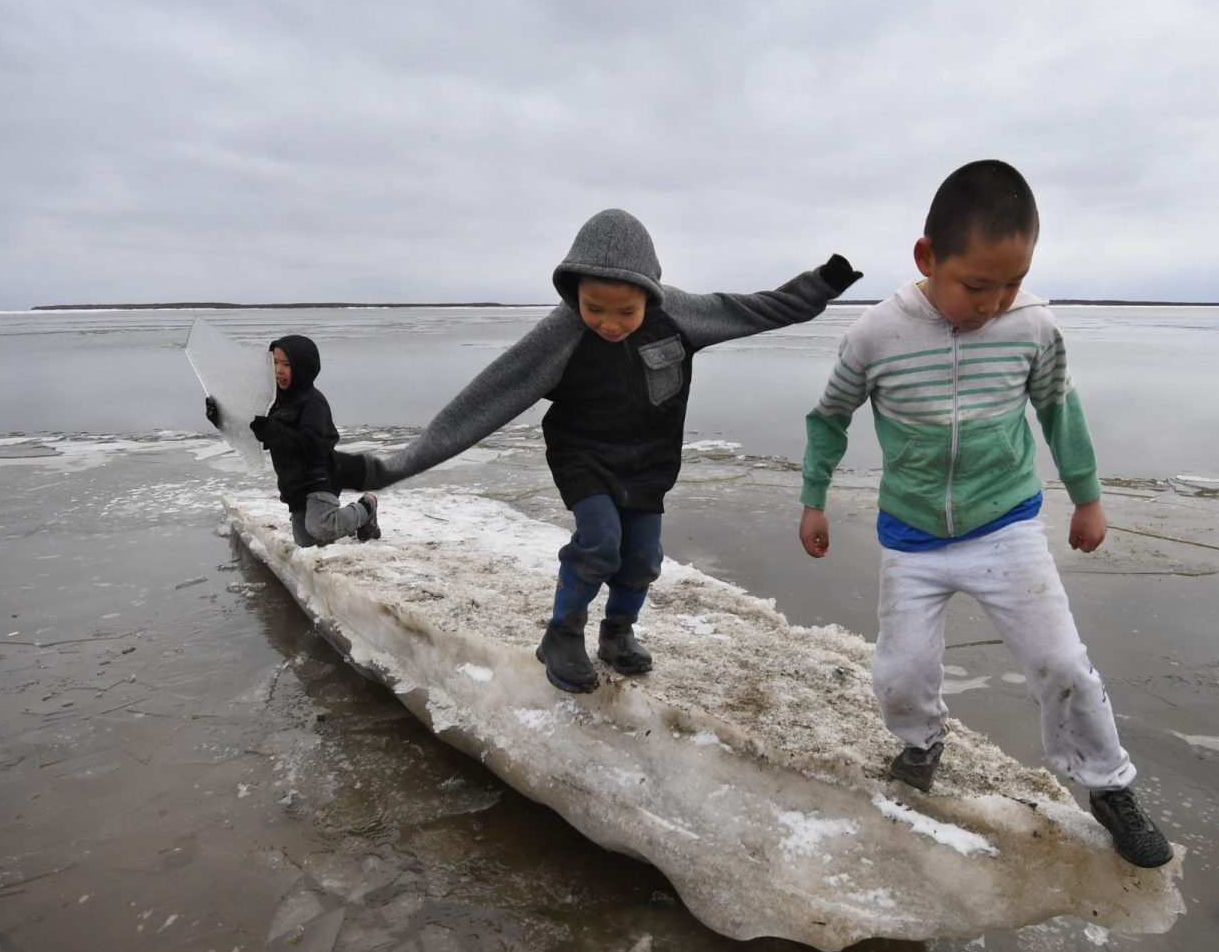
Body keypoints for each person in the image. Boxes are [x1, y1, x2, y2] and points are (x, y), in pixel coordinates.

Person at [796, 161, 1170, 868]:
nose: (995, 302)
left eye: (1012, 283)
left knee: (1062, 662)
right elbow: (829, 418)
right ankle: (919, 745)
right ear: (927, 258)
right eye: (977, 285)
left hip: (1005, 526)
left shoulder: (1032, 327)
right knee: (901, 673)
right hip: (911, 536)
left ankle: (1109, 786)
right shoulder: (876, 334)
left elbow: (1059, 407)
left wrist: (1087, 495)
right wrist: (813, 497)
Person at [338, 208, 861, 693]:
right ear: (575, 293)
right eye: (594, 309)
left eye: (625, 312)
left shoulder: (680, 313)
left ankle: (617, 633)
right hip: (583, 456)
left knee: (641, 559)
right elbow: (486, 399)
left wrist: (822, 285)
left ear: (650, 296)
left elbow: (755, 309)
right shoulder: (561, 333)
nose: (609, 323)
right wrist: (391, 467)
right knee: (600, 542)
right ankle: (561, 635)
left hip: (649, 465)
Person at [204, 334, 379, 548]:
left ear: (303, 367)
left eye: (286, 364)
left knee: (320, 527)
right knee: (306, 539)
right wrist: (220, 419)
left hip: (320, 477)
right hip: (295, 484)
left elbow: (310, 443)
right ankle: (342, 522)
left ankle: (366, 508)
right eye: (275, 362)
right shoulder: (275, 401)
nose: (278, 369)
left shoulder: (314, 403)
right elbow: (254, 431)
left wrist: (272, 430)